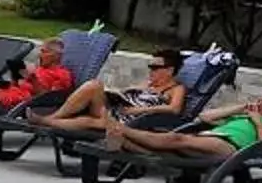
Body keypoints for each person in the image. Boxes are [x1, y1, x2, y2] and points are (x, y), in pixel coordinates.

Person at [100, 85, 262, 163]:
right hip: (208, 138)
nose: (260, 105)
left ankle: (122, 130)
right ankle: (121, 141)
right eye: (260, 101)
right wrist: (241, 108)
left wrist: (258, 123)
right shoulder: (244, 117)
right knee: (167, 151)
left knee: (176, 139)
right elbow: (205, 117)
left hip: (230, 147)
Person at [37, 48, 188, 135]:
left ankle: (46, 121)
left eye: (155, 67)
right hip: (117, 110)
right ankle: (53, 118)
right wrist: (119, 93)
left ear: (169, 70)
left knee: (91, 121)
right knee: (94, 85)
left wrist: (138, 110)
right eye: (150, 66)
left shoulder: (176, 89)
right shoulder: (147, 84)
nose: (151, 70)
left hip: (132, 121)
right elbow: (126, 95)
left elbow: (174, 109)